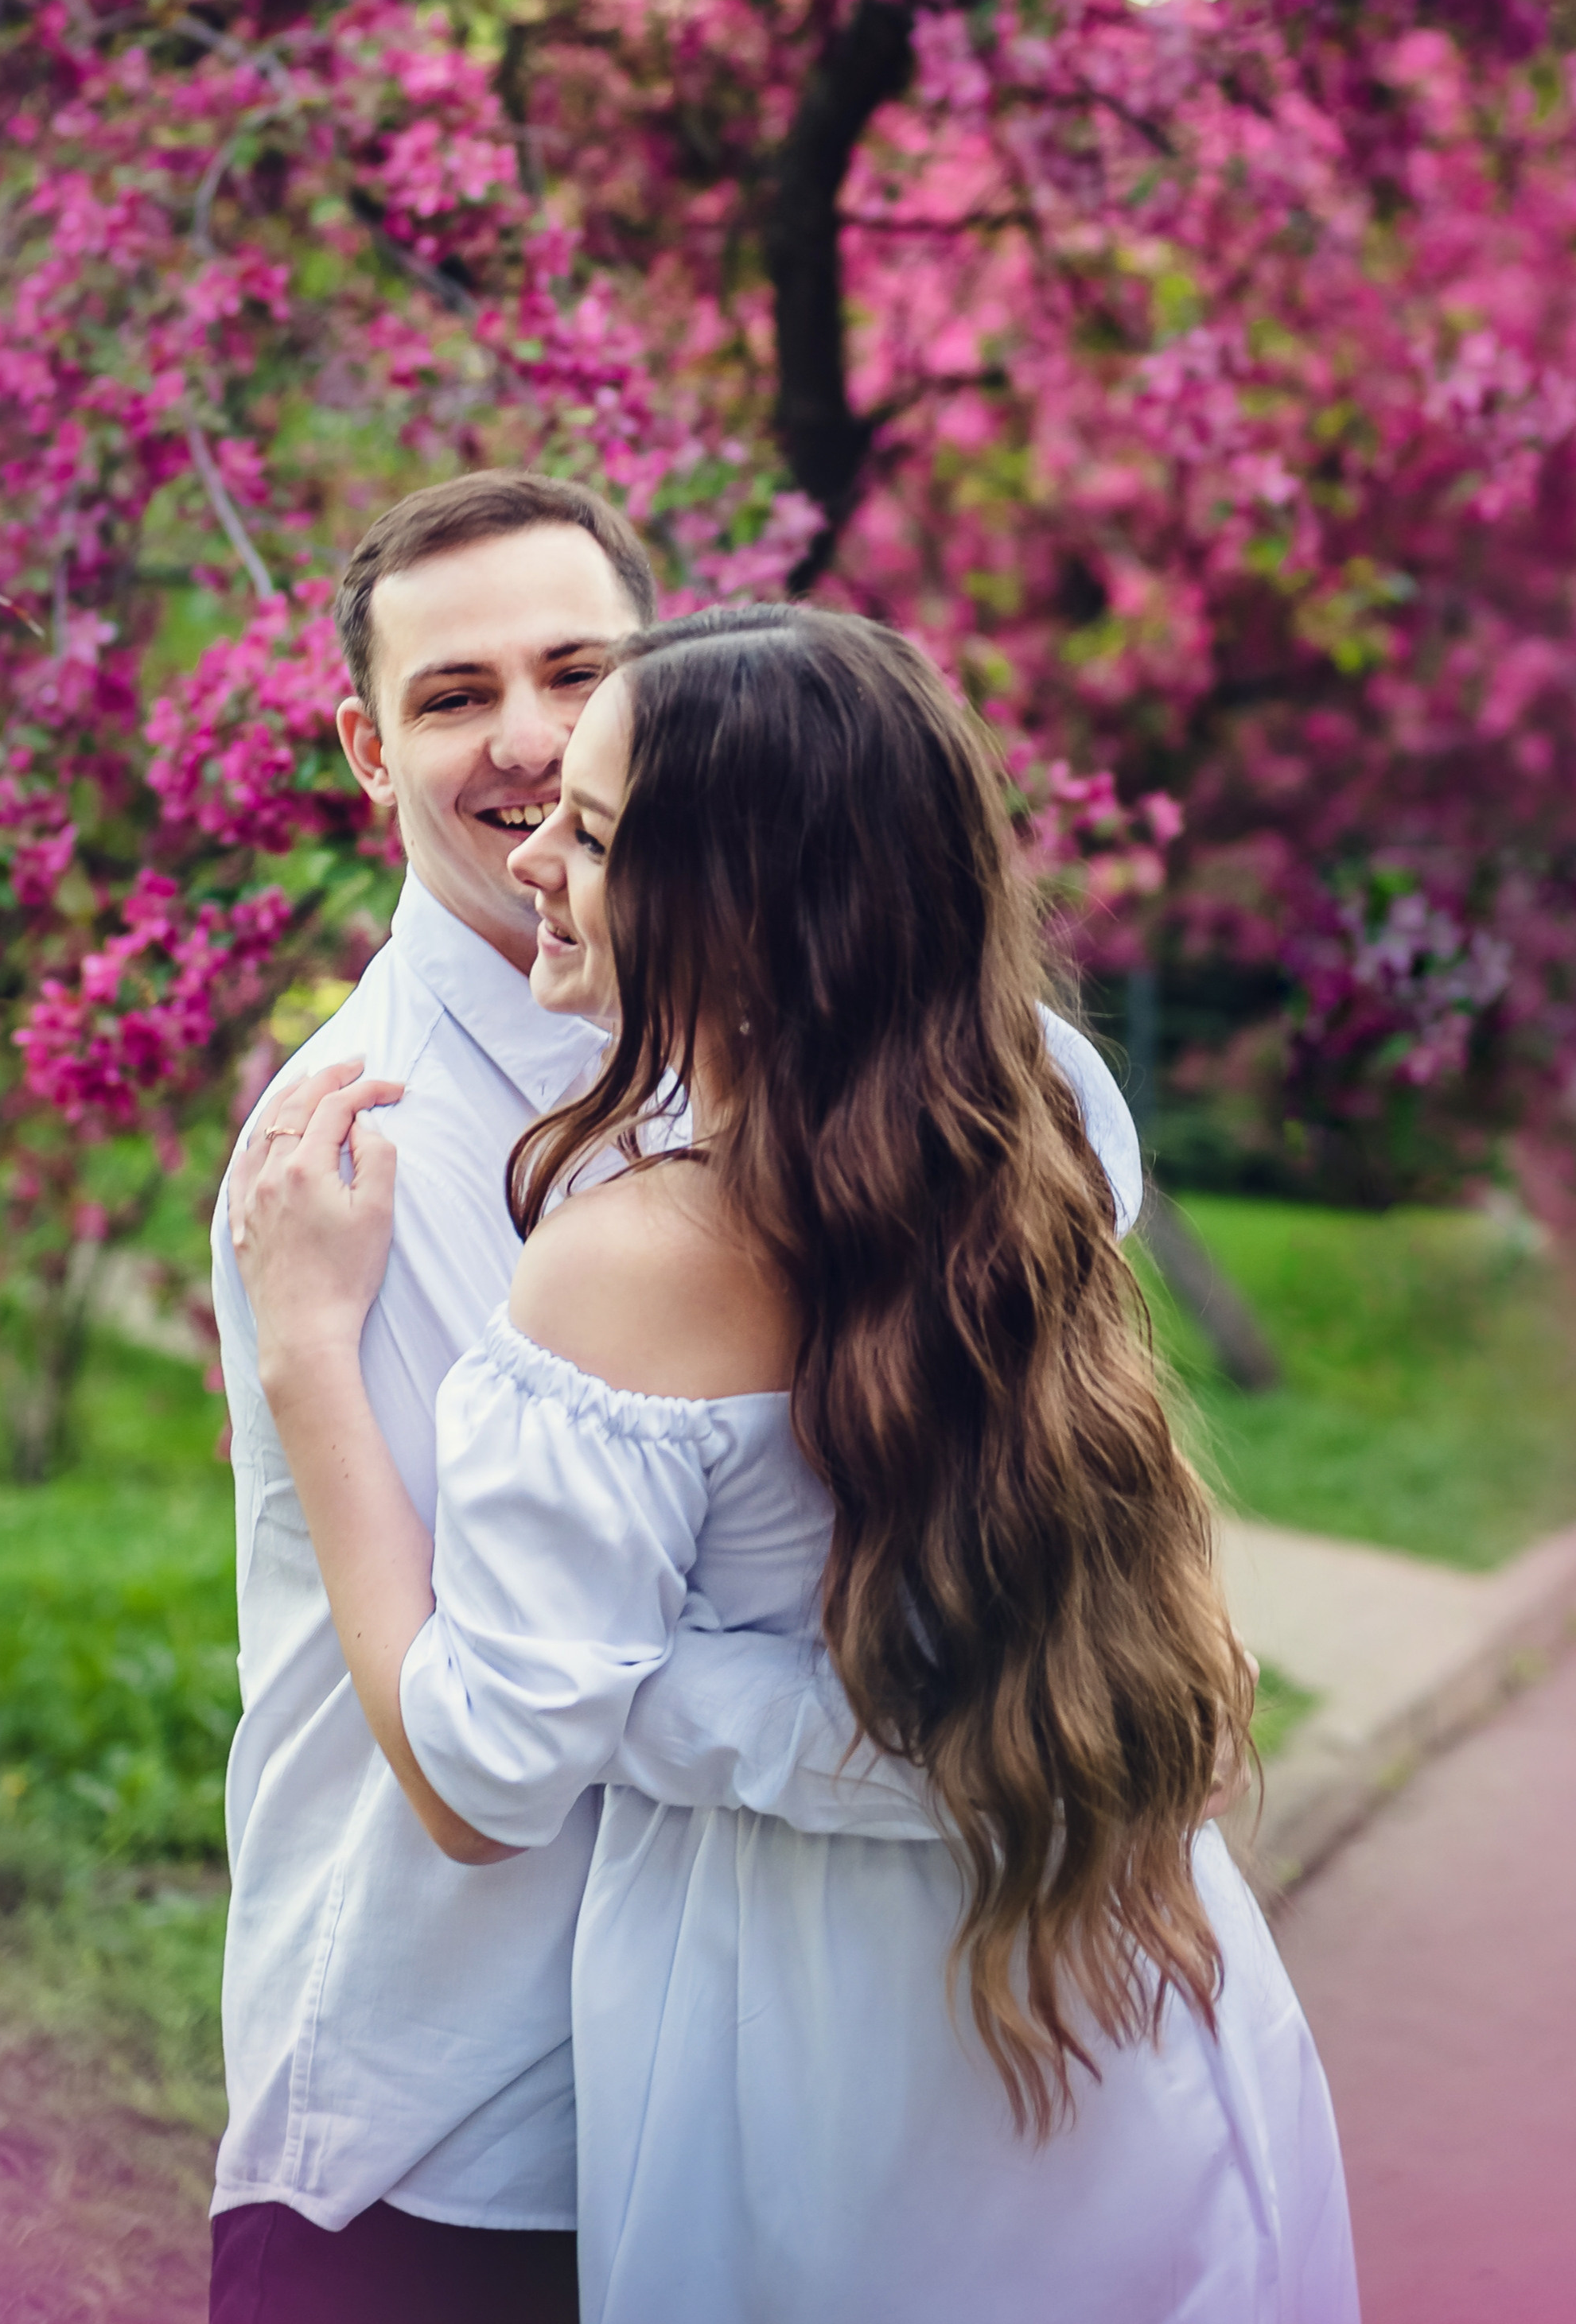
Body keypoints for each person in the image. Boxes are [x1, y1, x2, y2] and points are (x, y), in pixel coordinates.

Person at [231, 602, 1360, 2324]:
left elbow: (480, 1774)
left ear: (741, 908)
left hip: (837, 2030)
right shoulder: (1020, 1125)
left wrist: (311, 1354)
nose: (536, 852)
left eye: (594, 831)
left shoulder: (638, 1256)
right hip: (1124, 1972)